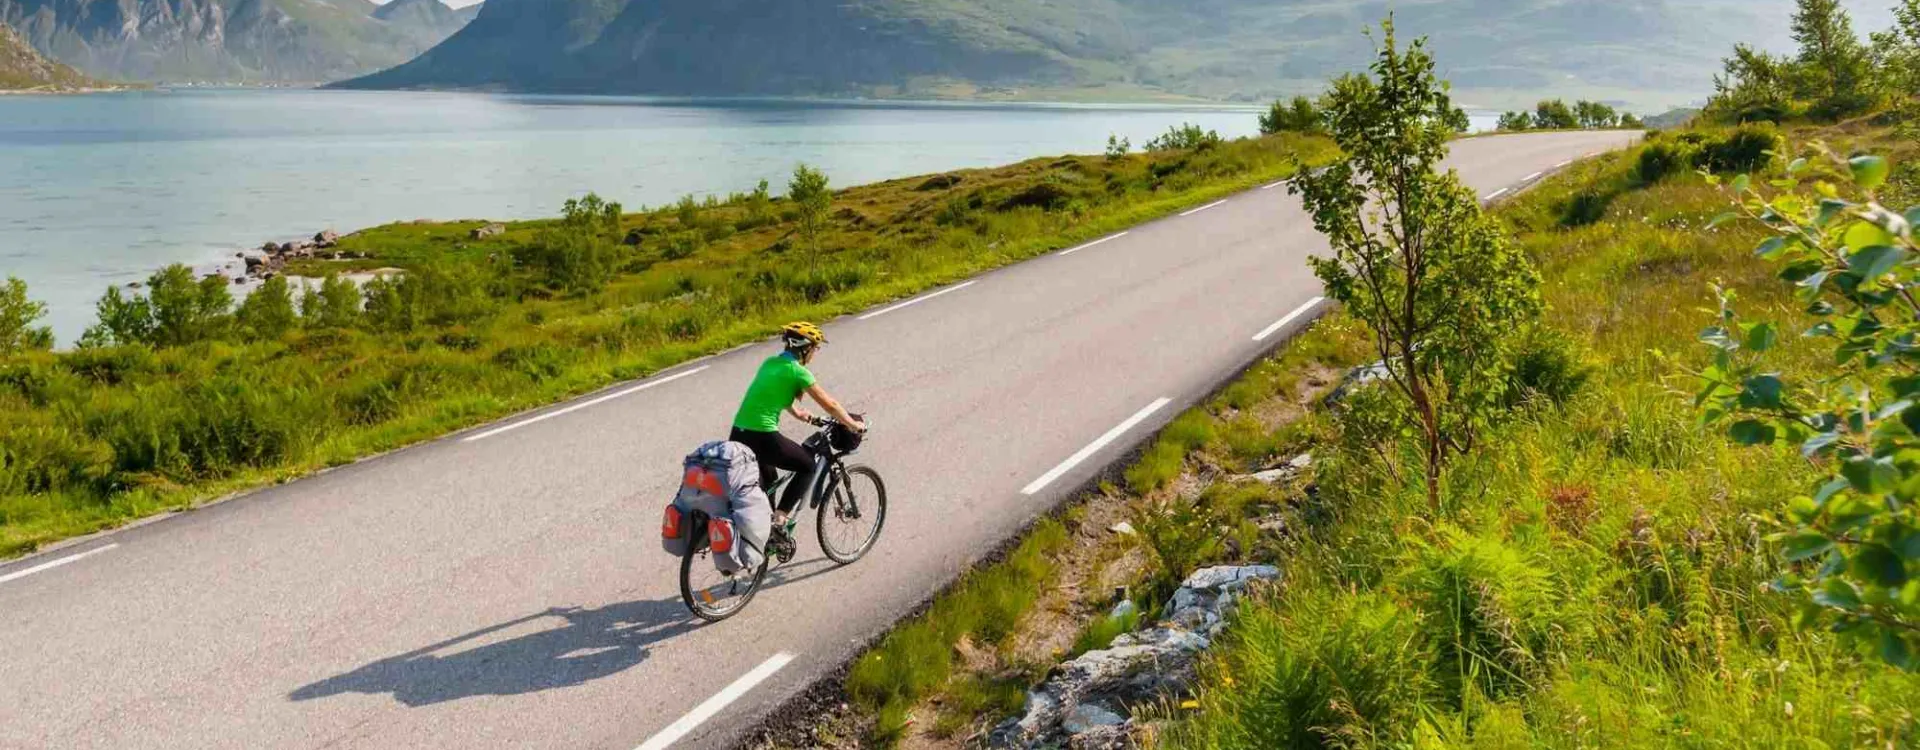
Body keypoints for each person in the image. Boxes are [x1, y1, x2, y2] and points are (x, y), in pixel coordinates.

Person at [730, 322, 866, 533]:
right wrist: (853, 424)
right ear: (805, 348)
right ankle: (781, 516)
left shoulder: (770, 364)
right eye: (815, 348)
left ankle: (763, 531)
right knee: (807, 466)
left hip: (738, 434)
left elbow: (775, 395)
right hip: (762, 436)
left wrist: (802, 414)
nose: (815, 353)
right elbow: (830, 404)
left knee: (769, 481)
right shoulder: (798, 371)